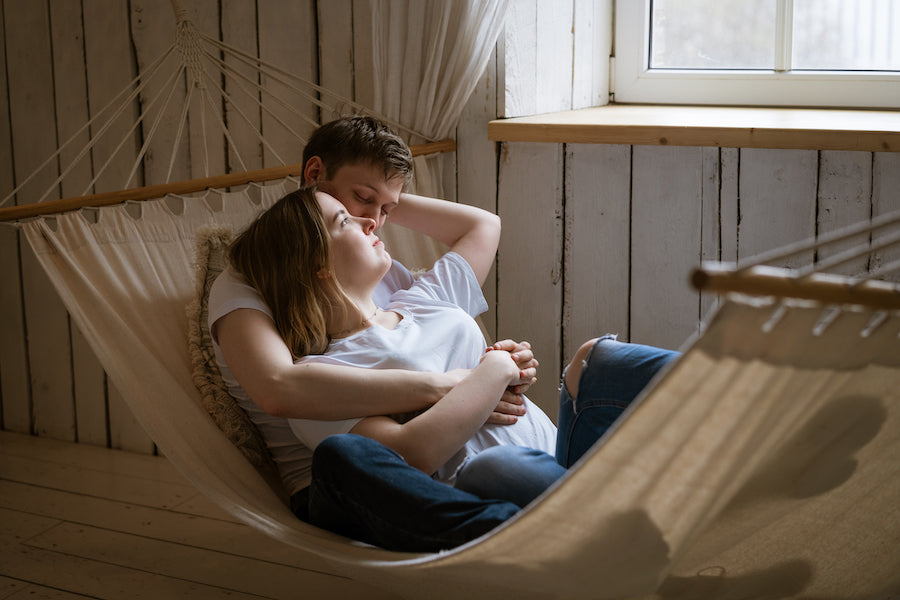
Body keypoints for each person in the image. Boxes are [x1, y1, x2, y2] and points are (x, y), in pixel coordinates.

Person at [221, 183, 678, 552]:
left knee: (594, 359)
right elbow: (410, 454)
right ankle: (633, 526)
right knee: (496, 467)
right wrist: (494, 370)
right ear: (316, 264)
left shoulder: (422, 298)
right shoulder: (328, 372)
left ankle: (737, 398)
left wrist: (509, 359)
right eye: (345, 219)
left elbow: (482, 226)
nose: (369, 219)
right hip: (504, 483)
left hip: (568, 461)